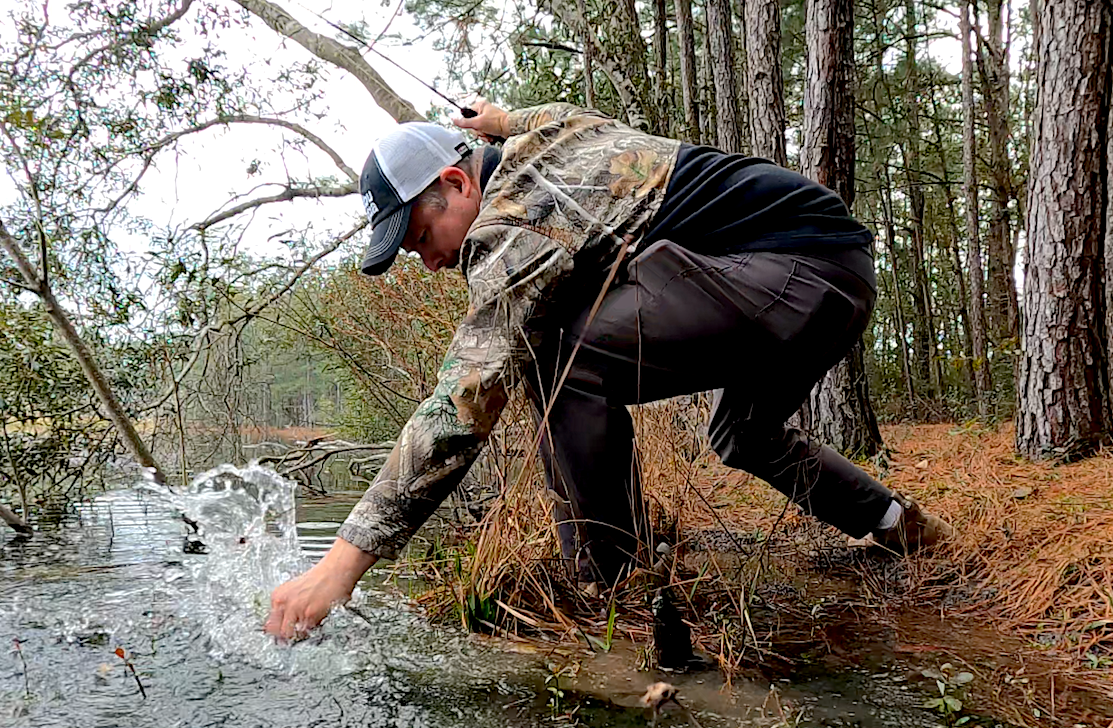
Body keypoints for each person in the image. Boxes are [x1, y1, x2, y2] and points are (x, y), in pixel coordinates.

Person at [263, 100, 953, 641]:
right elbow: (544, 113)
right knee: (742, 434)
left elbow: (462, 402)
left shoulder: (513, 221)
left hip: (793, 273)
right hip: (838, 274)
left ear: (453, 182)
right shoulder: (557, 134)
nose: (431, 261)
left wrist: (340, 564)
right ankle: (899, 523)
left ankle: (615, 585)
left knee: (556, 353)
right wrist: (498, 119)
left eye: (420, 237)